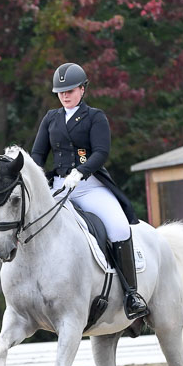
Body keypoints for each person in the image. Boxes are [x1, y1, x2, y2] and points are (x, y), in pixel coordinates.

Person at [31, 61, 148, 320]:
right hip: (59, 186)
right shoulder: (51, 118)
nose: (65, 95)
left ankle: (132, 294)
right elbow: (38, 153)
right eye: (61, 91)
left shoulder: (95, 117)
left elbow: (101, 153)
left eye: (70, 90)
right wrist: (36, 178)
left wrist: (80, 172)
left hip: (89, 186)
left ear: (83, 89)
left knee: (118, 227)